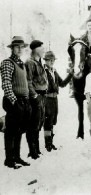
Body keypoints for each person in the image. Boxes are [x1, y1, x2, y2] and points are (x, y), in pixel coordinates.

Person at [0, 36, 32, 169]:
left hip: (24, 101)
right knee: (11, 131)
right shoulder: (7, 63)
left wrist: (27, 100)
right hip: (13, 100)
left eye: (22, 47)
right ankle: (9, 160)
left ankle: (17, 156)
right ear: (12, 48)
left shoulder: (22, 64)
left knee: (19, 130)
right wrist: (15, 102)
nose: (20, 49)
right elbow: (6, 84)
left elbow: (24, 84)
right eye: (17, 47)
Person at [43, 51, 73, 152]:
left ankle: (51, 143)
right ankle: (48, 145)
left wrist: (71, 74)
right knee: (47, 121)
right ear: (45, 61)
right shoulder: (43, 71)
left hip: (55, 99)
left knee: (52, 120)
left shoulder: (54, 71)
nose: (51, 62)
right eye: (49, 60)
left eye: (53, 60)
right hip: (47, 99)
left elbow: (62, 83)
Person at [25, 40, 48, 159]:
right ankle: (32, 151)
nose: (43, 50)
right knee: (33, 124)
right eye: (41, 48)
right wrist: (34, 95)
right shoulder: (30, 62)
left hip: (42, 96)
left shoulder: (39, 62)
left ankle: (37, 149)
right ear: (35, 50)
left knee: (39, 123)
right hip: (35, 96)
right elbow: (28, 81)